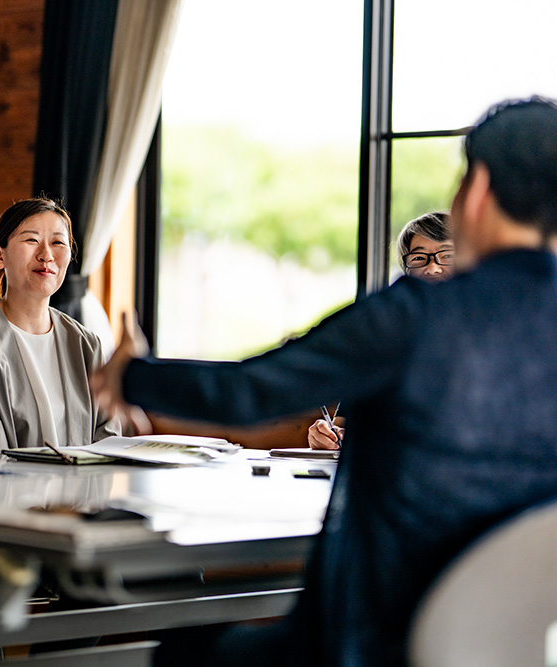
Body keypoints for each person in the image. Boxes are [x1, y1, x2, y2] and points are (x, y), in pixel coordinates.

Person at [93, 96, 557, 666]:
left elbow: (252, 391)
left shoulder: (415, 317)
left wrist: (134, 375)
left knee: (183, 653)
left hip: (365, 644)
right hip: (514, 649)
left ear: (477, 189)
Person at [0, 197, 119, 460]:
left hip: (82, 499)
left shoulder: (87, 344)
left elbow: (109, 444)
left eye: (58, 242)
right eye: (31, 240)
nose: (46, 255)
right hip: (3, 498)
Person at [307, 211, 454, 449]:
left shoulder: (494, 337)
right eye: (419, 259)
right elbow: (344, 425)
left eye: (446, 256)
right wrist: (327, 436)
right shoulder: (385, 340)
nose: (433, 268)